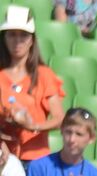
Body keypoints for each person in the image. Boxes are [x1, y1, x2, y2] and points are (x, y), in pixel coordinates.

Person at [0, 6, 63, 161]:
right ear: (4, 38)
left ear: (32, 40)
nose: (17, 41)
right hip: (3, 157)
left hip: (34, 159)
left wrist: (32, 126)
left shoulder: (44, 75)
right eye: (12, 35)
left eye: (23, 35)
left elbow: (59, 118)